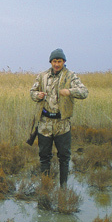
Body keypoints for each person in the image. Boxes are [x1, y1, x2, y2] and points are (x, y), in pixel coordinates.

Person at [30, 48, 88, 187]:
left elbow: (84, 92)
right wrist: (37, 96)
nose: (57, 64)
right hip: (44, 123)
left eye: (59, 61)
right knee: (44, 157)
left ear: (64, 62)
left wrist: (69, 91)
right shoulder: (42, 76)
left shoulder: (70, 76)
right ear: (51, 62)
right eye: (55, 61)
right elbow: (32, 91)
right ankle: (46, 186)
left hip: (62, 123)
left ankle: (63, 188)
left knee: (64, 157)